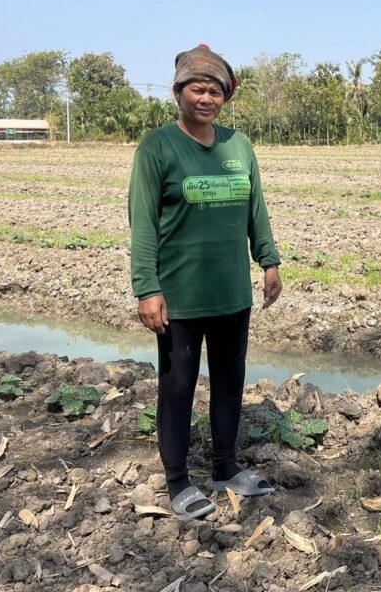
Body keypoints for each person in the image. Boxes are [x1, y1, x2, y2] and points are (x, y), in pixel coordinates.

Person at [128, 43, 282, 519]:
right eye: (197, 89)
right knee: (178, 388)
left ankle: (224, 466)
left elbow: (255, 207)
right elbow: (143, 222)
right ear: (178, 92)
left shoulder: (239, 146)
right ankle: (178, 481)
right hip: (180, 297)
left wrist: (269, 260)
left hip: (231, 292)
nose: (206, 98)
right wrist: (147, 288)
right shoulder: (157, 147)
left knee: (230, 382)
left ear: (225, 97)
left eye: (215, 91)